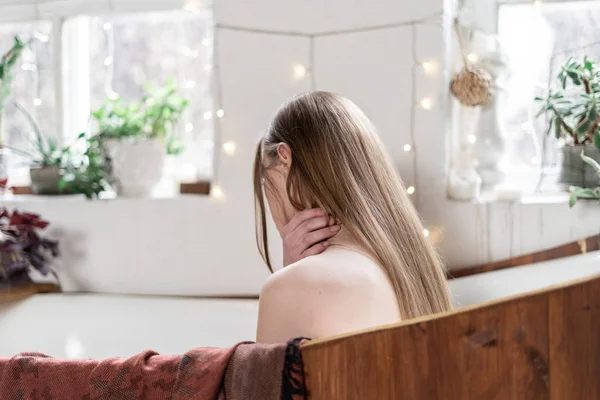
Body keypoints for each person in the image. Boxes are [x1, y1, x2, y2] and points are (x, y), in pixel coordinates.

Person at [254, 91, 452, 343]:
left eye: (265, 179)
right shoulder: (416, 269)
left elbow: (267, 383)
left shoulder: (287, 289)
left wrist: (292, 274)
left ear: (284, 158)